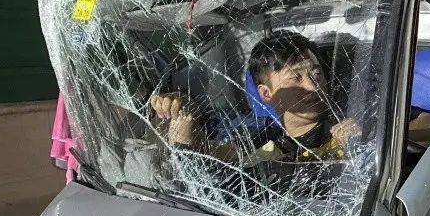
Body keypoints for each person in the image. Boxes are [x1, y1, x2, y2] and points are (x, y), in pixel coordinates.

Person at [150, 31, 359, 162]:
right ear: (266, 94)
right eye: (296, 78)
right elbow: (203, 158)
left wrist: (358, 147)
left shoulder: (344, 130)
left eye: (317, 74)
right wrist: (183, 110)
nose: (313, 87)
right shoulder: (262, 138)